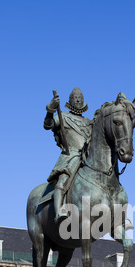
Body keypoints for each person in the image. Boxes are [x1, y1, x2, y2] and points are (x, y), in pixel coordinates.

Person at [44, 88, 92, 223]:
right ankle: (59, 210)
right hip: (71, 156)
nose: (78, 99)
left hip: (88, 158)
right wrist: (50, 110)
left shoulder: (89, 122)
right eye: (75, 97)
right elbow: (48, 125)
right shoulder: (63, 116)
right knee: (64, 179)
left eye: (80, 97)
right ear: (70, 100)